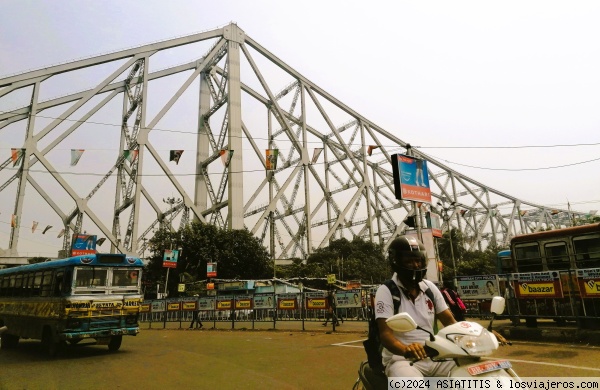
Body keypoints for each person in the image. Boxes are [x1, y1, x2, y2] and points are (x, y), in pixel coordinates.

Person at [375, 235, 507, 378]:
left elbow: (451, 323)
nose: (416, 265)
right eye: (409, 261)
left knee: (474, 373)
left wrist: (481, 334)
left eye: (418, 260)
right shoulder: (387, 291)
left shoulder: (429, 288)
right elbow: (386, 335)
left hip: (436, 356)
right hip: (403, 360)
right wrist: (406, 349)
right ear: (396, 262)